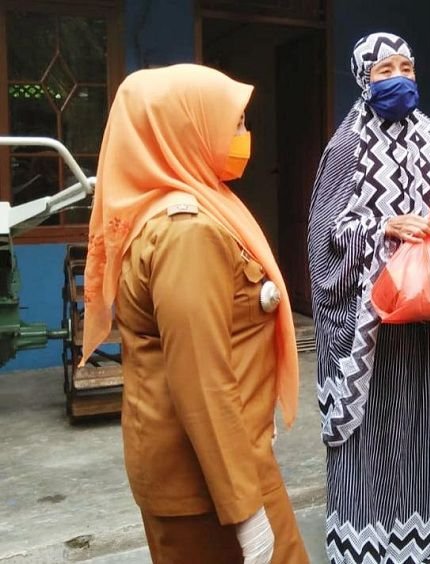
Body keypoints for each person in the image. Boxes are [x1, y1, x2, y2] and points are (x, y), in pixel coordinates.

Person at [81, 64, 308, 564]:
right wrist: (246, 511)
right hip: (211, 484)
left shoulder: (189, 209)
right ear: (187, 129)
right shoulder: (188, 233)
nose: (244, 136)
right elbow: (201, 380)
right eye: (235, 123)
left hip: (215, 464)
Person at [307, 32, 430, 564]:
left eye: (406, 67)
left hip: (420, 317)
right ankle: (361, 543)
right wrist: (383, 228)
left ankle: (415, 540)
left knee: (419, 422)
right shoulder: (346, 145)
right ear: (363, 79)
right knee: (367, 429)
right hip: (367, 324)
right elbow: (324, 234)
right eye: (384, 70)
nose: (398, 78)